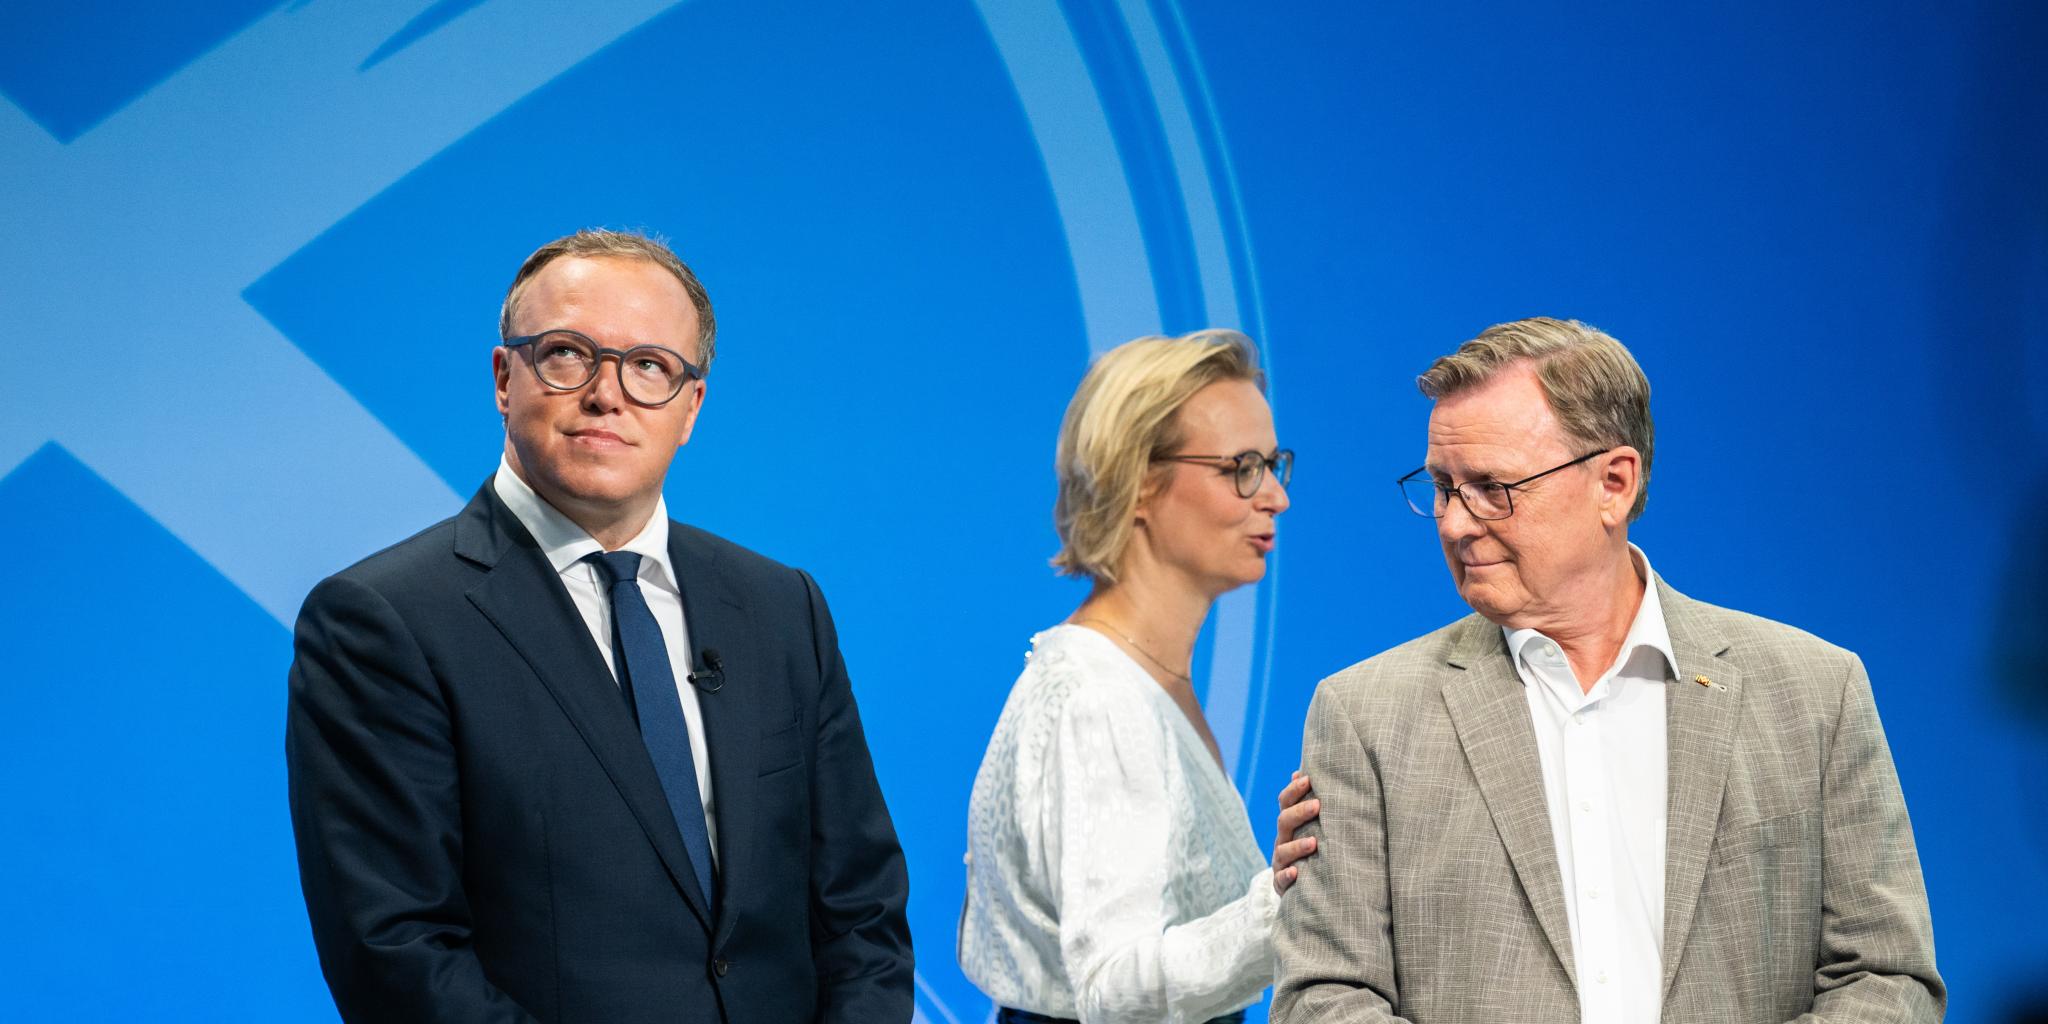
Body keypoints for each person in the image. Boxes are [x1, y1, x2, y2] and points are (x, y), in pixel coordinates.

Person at [286, 229, 913, 1023]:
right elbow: (398, 956)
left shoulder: (781, 607)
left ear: (691, 408)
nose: (607, 394)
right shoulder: (382, 622)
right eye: (567, 353)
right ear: (503, 378)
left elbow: (862, 911)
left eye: (650, 365)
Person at [1272, 317, 1943, 1023]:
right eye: (1443, 486)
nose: (1456, 523)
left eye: (1493, 487)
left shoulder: (1813, 693)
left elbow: (1887, 978)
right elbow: (1324, 996)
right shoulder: (1366, 716)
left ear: (1614, 484)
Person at [960, 330, 1321, 1024]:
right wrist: (1284, 898)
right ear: (1140, 482)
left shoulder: (1136, 680)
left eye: (1275, 464)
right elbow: (1113, 989)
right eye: (1242, 467)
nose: (1275, 495)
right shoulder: (1097, 700)